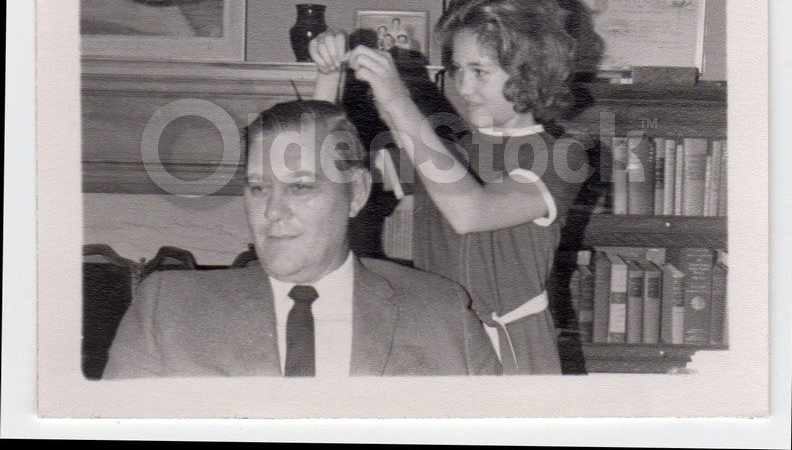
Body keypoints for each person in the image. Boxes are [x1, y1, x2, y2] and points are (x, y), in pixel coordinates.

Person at [309, 0, 600, 374]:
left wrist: (396, 100)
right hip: (437, 340)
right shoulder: (448, 151)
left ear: (531, 72)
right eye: (458, 70)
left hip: (510, 353)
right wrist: (328, 78)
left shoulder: (564, 157)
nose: (463, 88)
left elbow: (470, 212)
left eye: (480, 72)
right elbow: (322, 169)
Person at [103, 100, 500, 378]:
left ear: (357, 193)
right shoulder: (168, 309)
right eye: (258, 189)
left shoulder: (439, 312)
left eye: (300, 187)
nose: (272, 212)